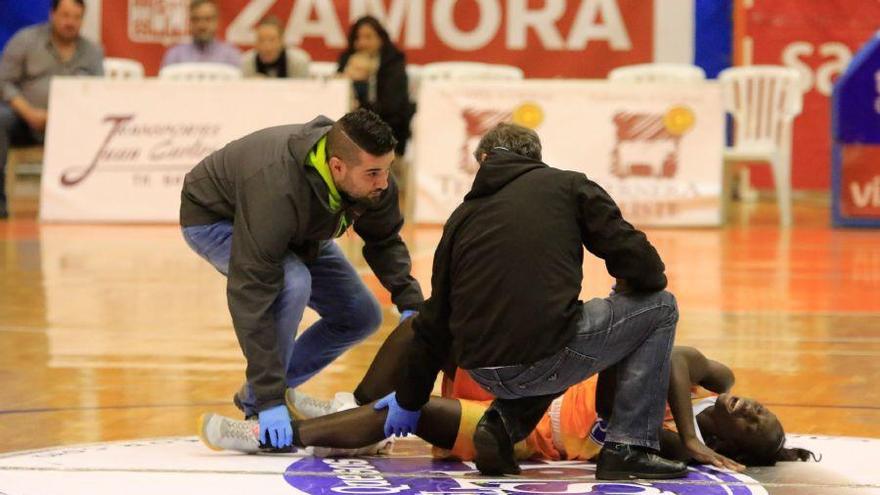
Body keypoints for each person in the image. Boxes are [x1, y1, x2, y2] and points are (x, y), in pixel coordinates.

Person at [378, 122, 684, 479]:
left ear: (484, 160)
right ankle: (629, 446)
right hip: (547, 352)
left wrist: (410, 398)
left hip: (480, 369)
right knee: (660, 307)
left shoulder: (460, 218)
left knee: (558, 330)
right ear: (536, 158)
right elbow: (638, 258)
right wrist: (638, 285)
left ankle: (500, 425)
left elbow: (434, 319)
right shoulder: (568, 185)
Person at [198, 319, 819, 469]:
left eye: (753, 425)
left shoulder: (672, 449)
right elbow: (685, 362)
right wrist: (702, 416)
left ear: (731, 444)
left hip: (520, 429)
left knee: (409, 413)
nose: (750, 408)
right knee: (425, 328)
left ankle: (267, 437)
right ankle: (345, 409)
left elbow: (664, 370)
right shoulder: (705, 402)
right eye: (763, 408)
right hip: (530, 380)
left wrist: (687, 439)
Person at [180, 109, 423, 451]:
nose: (383, 183)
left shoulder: (371, 179)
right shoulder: (277, 188)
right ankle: (259, 410)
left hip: (300, 230)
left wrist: (410, 302)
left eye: (387, 170)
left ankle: (263, 393)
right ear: (337, 167)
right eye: (373, 174)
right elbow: (252, 294)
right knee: (291, 282)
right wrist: (269, 402)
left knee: (361, 315)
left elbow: (383, 240)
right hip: (216, 219)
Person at [0, 0, 103, 219]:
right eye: (65, 15)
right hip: (26, 119)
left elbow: (99, 93)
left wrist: (65, 117)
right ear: (52, 14)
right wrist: (28, 112)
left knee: (106, 130)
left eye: (76, 17)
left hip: (73, 127)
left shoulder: (92, 52)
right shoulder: (26, 40)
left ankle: (90, 207)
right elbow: (4, 82)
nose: (70, 23)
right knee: (0, 120)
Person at [337, 16, 413, 157]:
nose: (362, 43)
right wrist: (347, 80)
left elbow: (393, 107)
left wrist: (364, 85)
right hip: (350, 133)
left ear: (381, 39)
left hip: (389, 132)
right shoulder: (347, 60)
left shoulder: (394, 63)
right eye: (358, 38)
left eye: (368, 37)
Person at [161, 0, 240, 68]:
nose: (202, 25)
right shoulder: (175, 56)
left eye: (208, 19)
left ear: (217, 22)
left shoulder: (231, 56)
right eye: (196, 19)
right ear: (190, 22)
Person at [240, 16, 309, 79]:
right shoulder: (248, 62)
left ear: (281, 41)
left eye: (272, 40)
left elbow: (301, 89)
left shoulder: (298, 62)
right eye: (261, 40)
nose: (266, 46)